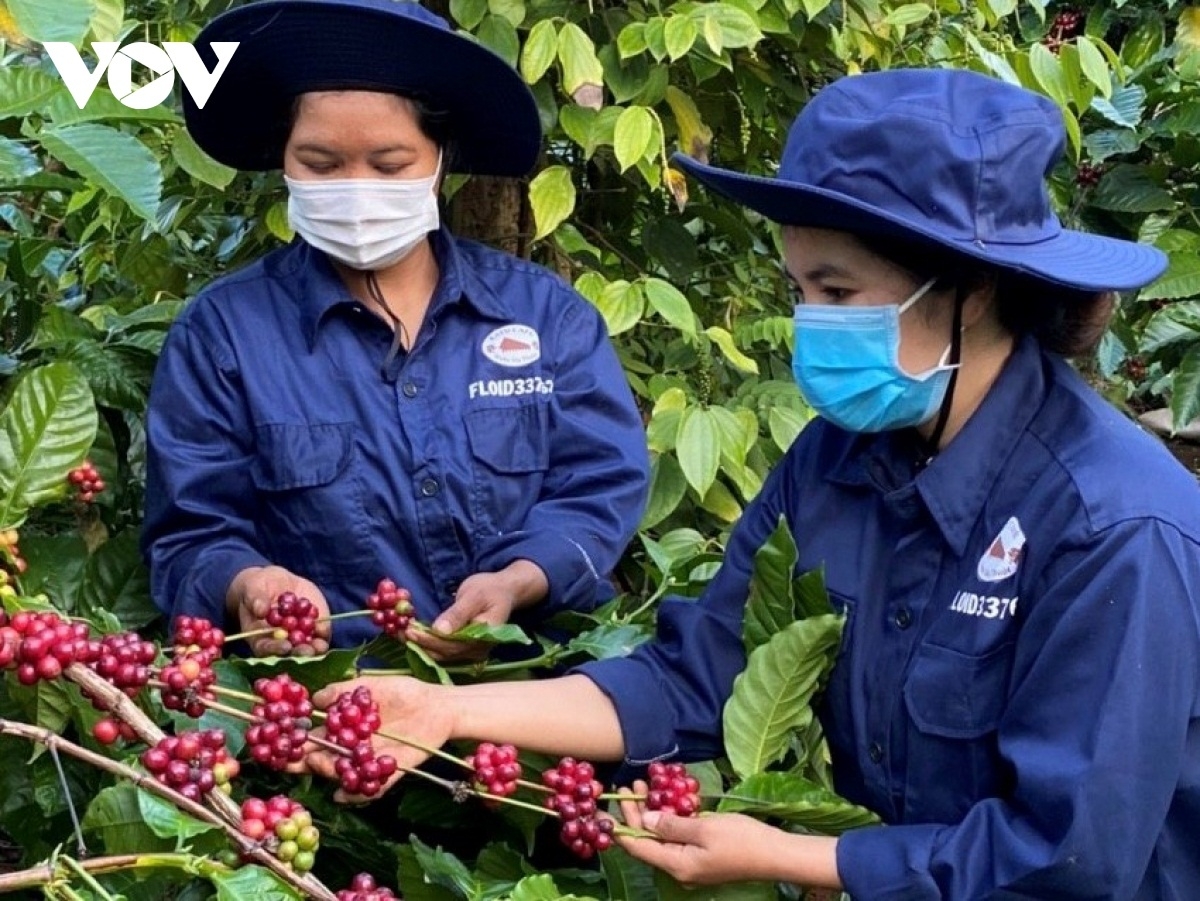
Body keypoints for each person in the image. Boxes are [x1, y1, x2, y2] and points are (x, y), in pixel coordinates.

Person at [301, 68, 1200, 898]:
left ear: (971, 288)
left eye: (839, 294)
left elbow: (1072, 860)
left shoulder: (1117, 526)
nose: (810, 323)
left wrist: (796, 855)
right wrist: (446, 711)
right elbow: (697, 678)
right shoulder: (839, 459)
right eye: (798, 287)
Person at [141, 0, 649, 661]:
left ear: (439, 160)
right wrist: (247, 586)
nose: (354, 189)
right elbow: (190, 536)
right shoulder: (223, 335)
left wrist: (517, 583)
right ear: (284, 161)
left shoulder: (546, 318)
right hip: (326, 726)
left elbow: (598, 485)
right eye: (321, 164)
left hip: (534, 704)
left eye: (388, 165)